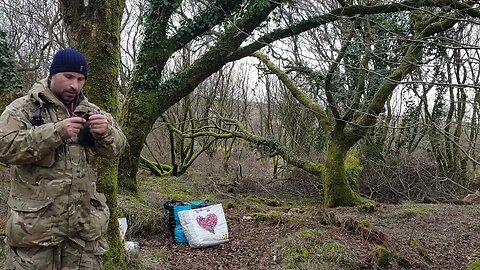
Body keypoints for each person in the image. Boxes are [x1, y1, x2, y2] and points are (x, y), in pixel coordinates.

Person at [0, 48, 127, 269]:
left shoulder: (92, 111)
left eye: (80, 79)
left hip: (82, 231)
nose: (74, 85)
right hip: (35, 232)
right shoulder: (24, 109)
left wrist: (106, 133)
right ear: (52, 74)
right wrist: (55, 132)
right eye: (68, 77)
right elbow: (4, 147)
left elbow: (118, 148)